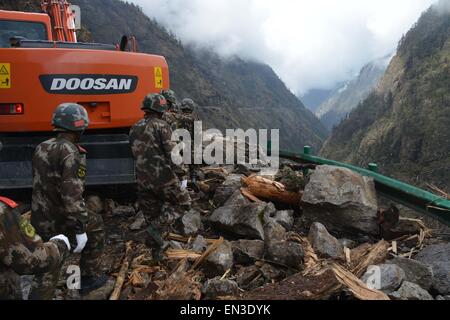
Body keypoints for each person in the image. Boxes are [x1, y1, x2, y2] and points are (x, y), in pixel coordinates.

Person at [29, 103, 106, 299]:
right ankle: (87, 279)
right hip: (61, 219)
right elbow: (72, 195)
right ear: (79, 127)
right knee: (95, 226)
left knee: (48, 261)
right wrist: (79, 228)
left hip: (40, 217)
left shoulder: (42, 147)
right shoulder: (72, 153)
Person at [129, 93, 191, 260]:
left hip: (142, 181)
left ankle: (157, 256)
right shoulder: (162, 126)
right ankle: (153, 231)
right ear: (161, 109)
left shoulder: (134, 127)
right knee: (184, 203)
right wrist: (182, 173)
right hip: (162, 178)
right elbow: (173, 155)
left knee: (153, 215)